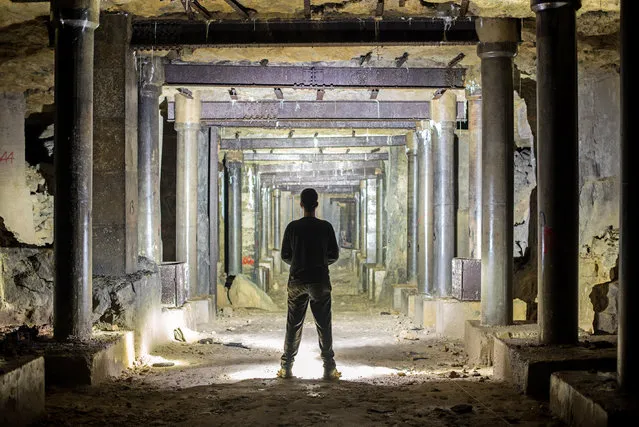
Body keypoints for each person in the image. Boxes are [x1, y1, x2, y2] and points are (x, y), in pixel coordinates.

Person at [277, 188, 341, 380]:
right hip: (319, 280)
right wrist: (320, 262)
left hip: (297, 280)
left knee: (293, 325)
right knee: (324, 325)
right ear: (317, 204)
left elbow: (285, 255)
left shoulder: (292, 227)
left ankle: (286, 367)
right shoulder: (326, 227)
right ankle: (329, 368)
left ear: (301, 204)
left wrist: (299, 262)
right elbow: (334, 255)